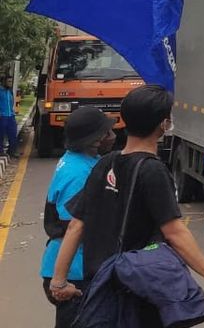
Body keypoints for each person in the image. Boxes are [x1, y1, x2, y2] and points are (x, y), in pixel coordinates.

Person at [49, 86, 204, 308]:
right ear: (163, 124)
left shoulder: (105, 162)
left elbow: (76, 226)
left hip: (101, 286)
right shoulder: (153, 170)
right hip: (137, 288)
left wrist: (59, 282)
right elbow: (175, 232)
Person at [41, 106, 115, 328]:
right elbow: (74, 227)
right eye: (107, 132)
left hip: (74, 268)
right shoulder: (79, 174)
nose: (112, 136)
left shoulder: (79, 160)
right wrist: (60, 282)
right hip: (74, 272)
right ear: (93, 140)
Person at [0, 73, 18, 157]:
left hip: (11, 116)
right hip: (2, 116)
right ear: (4, 82)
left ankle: (12, 152)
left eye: (11, 81)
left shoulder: (10, 92)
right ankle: (1, 151)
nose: (10, 83)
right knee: (1, 134)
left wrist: (12, 113)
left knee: (13, 134)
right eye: (9, 81)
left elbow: (12, 103)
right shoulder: (0, 91)